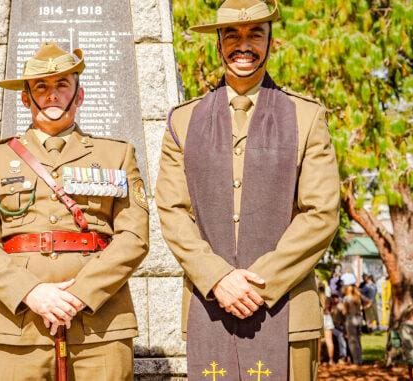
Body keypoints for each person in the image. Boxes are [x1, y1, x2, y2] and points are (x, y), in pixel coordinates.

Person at [155, 0, 340, 379]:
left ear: (271, 43)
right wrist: (218, 278)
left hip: (287, 312)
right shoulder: (183, 121)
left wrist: (260, 283)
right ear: (218, 43)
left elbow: (320, 214)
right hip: (210, 304)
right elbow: (172, 211)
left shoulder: (307, 117)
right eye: (232, 35)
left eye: (255, 33)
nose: (244, 44)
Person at [0, 42, 149, 380]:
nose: (52, 95)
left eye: (62, 85)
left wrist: (80, 293)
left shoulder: (116, 155)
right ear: (25, 97)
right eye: (41, 87)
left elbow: (134, 236)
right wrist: (31, 292)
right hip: (17, 324)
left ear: (79, 95)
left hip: (100, 325)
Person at [341, 281, 364, 365]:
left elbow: (345, 312)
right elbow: (368, 302)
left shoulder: (346, 298)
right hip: (359, 319)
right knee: (358, 340)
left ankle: (356, 360)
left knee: (352, 340)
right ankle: (360, 359)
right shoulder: (357, 297)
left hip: (350, 319)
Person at [319, 283, 335, 365]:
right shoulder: (328, 298)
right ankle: (331, 360)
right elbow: (332, 310)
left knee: (318, 342)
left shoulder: (317, 298)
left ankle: (318, 361)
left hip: (319, 318)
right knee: (329, 340)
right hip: (328, 318)